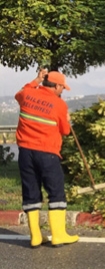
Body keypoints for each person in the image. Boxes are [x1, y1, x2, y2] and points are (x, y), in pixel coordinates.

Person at [15, 68, 79, 248]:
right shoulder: (59, 104)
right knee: (56, 192)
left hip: (25, 153)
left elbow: (19, 92)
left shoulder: (27, 95)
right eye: (62, 88)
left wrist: (36, 80)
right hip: (47, 153)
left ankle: (36, 236)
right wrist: (66, 118)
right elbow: (65, 131)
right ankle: (58, 235)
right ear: (57, 85)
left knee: (31, 192)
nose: (63, 91)